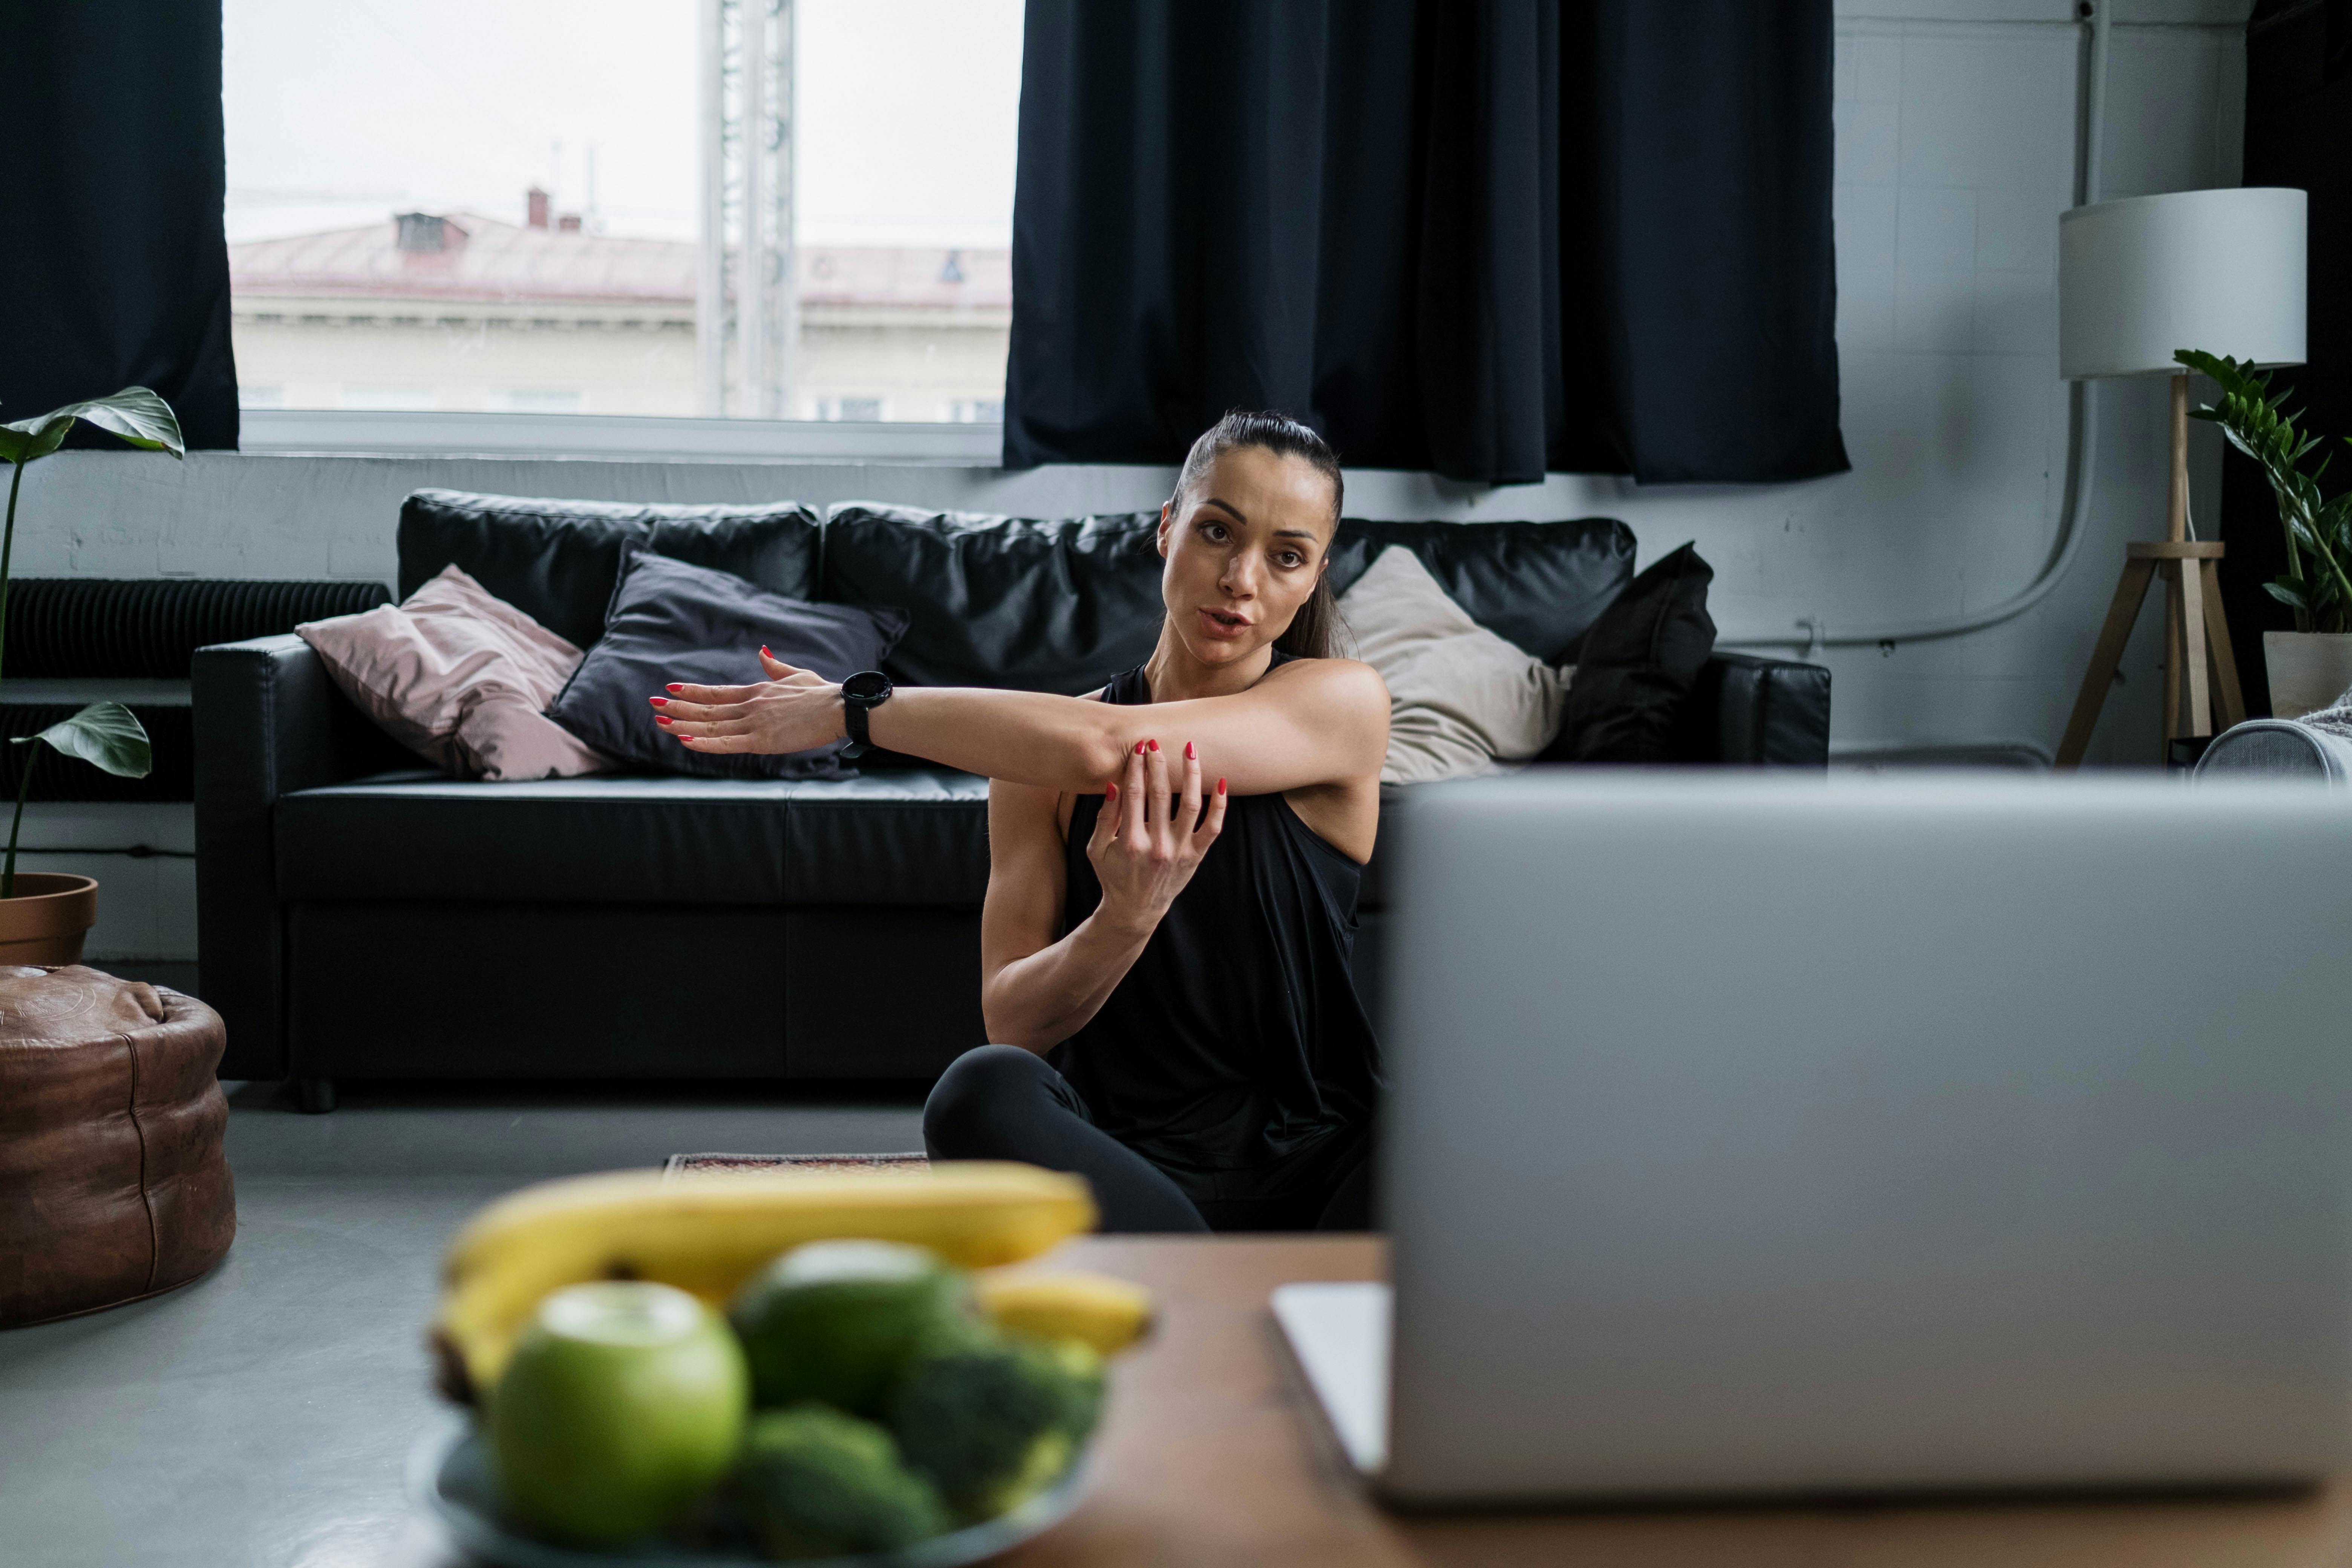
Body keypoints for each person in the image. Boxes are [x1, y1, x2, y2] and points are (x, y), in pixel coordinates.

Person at [651, 411, 1390, 1231]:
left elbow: (1115, 748)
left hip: (1323, 1166)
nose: (1242, 578)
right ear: (1166, 528)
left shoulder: (1344, 702)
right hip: (1124, 1170)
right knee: (982, 1086)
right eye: (1218, 531)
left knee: (1455, 1122)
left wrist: (852, 711)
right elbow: (1016, 1020)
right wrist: (1125, 919)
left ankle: (1188, 1283)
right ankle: (1211, 1270)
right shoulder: (1036, 768)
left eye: (1287, 556)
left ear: (1315, 574)